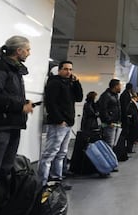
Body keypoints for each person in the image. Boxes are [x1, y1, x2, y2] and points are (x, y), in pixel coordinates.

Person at [0, 36, 35, 214]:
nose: (29, 53)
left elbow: (8, 94)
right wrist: (20, 106)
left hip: (11, 126)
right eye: (28, 50)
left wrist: (23, 103)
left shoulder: (14, 70)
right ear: (19, 50)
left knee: (4, 171)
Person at [38, 60, 83, 188]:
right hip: (58, 123)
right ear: (59, 70)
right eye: (66, 69)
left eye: (70, 69)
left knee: (61, 153)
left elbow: (79, 98)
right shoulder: (54, 83)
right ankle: (42, 182)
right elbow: (51, 103)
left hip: (67, 123)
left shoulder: (69, 83)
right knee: (50, 153)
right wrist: (59, 120)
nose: (68, 72)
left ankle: (57, 180)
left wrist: (77, 82)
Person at [98, 79, 122, 149]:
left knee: (113, 144)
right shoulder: (106, 96)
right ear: (115, 86)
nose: (120, 87)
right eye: (119, 85)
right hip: (109, 124)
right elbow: (103, 110)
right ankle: (107, 159)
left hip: (115, 123)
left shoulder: (115, 96)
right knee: (109, 144)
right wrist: (109, 121)